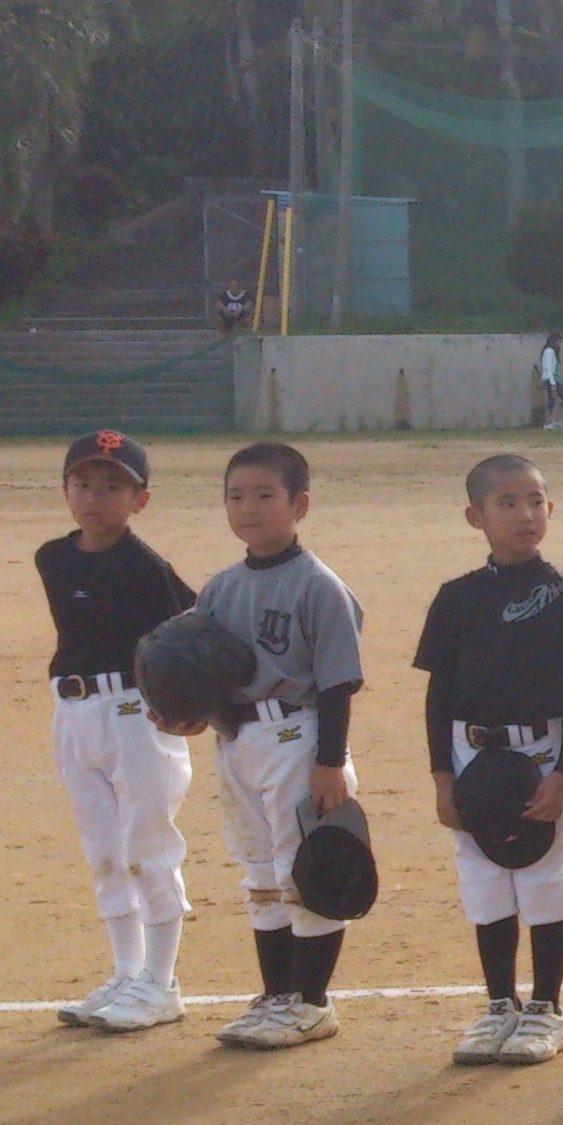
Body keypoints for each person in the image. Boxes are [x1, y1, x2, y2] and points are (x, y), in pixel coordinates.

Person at [420, 455, 563, 1066]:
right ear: (475, 516)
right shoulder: (457, 599)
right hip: (472, 750)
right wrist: (441, 778)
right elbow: (438, 694)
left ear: (550, 510)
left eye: (535, 501)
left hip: (542, 749)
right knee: (485, 881)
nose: (524, 514)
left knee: (543, 877)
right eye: (507, 503)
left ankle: (546, 1008)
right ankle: (499, 1004)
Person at [197, 442, 368, 1050]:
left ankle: (311, 1001)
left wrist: (330, 761)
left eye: (265, 495)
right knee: (261, 874)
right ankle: (276, 996)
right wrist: (190, 713)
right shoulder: (219, 589)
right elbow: (202, 671)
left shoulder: (318, 586)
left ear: (299, 505)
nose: (248, 508)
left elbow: (339, 682)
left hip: (300, 735)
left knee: (308, 869)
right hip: (238, 738)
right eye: (235, 496)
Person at [39, 430, 198, 1033]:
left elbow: (194, 632)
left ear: (141, 500)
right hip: (74, 713)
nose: (94, 498)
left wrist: (186, 703)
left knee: (148, 845)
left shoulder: (146, 567)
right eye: (83, 483)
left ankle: (162, 983)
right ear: (65, 490)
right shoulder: (52, 557)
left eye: (113, 487)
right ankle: (128, 973)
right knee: (105, 851)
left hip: (136, 714)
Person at [535, 333, 563, 430]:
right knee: (559, 399)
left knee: (554, 400)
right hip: (551, 379)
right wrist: (553, 383)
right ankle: (549, 422)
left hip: (555, 378)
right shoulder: (549, 351)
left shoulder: (552, 352)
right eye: (559, 341)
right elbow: (549, 368)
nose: (559, 344)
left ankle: (554, 421)